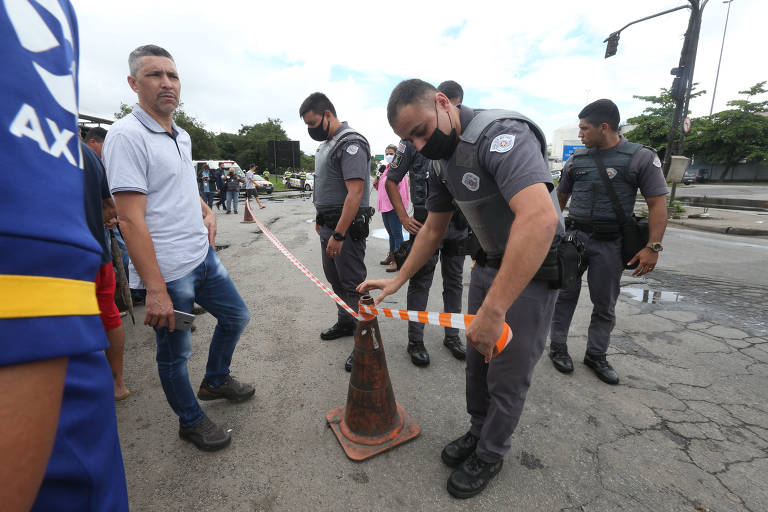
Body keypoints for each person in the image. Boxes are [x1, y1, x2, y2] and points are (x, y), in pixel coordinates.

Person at [359, 79, 561, 498]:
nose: (417, 142)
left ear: (443, 102)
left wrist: (495, 308)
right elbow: (433, 228)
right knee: (478, 363)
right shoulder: (437, 160)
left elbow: (539, 218)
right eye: (407, 138)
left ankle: (491, 452)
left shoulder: (501, 135)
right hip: (488, 265)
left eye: (421, 130)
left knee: (507, 373)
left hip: (529, 272)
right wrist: (399, 278)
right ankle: (477, 432)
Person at [1, 2, 129, 509]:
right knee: (110, 315)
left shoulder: (33, 18)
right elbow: (111, 210)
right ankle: (119, 380)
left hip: (66, 270)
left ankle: (119, 379)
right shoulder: (90, 156)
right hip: (85, 260)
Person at [103, 44, 253, 452]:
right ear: (134, 84)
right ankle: (190, 421)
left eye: (172, 75)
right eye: (154, 75)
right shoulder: (126, 136)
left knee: (237, 316)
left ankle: (215, 380)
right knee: (175, 354)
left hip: (202, 258)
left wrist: (206, 209)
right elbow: (130, 219)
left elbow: (179, 185)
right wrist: (154, 289)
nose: (166, 83)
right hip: (168, 272)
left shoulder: (180, 134)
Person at [548, 99, 668, 385]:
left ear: (604, 127)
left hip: (610, 243)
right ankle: (558, 347)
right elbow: (558, 201)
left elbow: (657, 204)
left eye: (584, 128)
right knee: (564, 296)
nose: (580, 134)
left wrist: (653, 247)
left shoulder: (639, 157)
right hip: (574, 240)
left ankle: (596, 355)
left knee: (604, 304)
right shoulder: (577, 159)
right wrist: (551, 238)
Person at [383, 81, 468, 365]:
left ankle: (452, 335)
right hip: (424, 220)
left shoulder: (463, 138)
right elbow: (391, 181)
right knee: (420, 282)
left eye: (459, 106)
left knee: (454, 282)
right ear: (441, 103)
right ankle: (415, 340)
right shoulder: (413, 141)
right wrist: (404, 217)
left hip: (458, 223)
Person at [300, 92, 372, 372]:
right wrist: (321, 220)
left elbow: (355, 193)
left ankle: (364, 342)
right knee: (335, 278)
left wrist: (339, 235)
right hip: (328, 223)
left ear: (327, 115)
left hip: (346, 228)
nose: (311, 129)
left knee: (354, 283)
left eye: (313, 122)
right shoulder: (328, 144)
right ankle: (346, 321)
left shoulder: (350, 142)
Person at [375, 144, 409, 272]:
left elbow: (404, 193)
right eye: (387, 153)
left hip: (394, 208)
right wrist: (377, 181)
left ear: (396, 155)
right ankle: (391, 255)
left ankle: (398, 260)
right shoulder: (386, 169)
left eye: (391, 153)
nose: (389, 156)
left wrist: (402, 210)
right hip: (385, 207)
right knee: (390, 234)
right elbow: (383, 189)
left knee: (397, 234)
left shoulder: (400, 170)